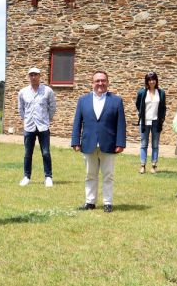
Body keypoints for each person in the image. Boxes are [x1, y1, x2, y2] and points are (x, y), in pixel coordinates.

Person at [71, 70, 126, 213]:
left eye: (103, 80)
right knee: (90, 174)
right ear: (92, 83)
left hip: (109, 143)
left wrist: (120, 143)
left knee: (108, 175)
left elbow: (121, 124)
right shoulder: (83, 100)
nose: (100, 83)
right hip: (89, 143)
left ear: (107, 82)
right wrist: (75, 141)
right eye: (97, 81)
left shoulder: (116, 100)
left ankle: (107, 202)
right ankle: (90, 202)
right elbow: (77, 122)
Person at [18, 67, 57, 187]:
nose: (33, 77)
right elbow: (21, 109)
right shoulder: (23, 92)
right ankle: (26, 176)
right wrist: (26, 119)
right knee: (27, 153)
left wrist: (47, 119)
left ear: (40, 76)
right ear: (28, 77)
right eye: (31, 75)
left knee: (45, 152)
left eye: (36, 75)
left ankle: (48, 177)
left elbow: (52, 107)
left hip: (43, 126)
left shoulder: (47, 91)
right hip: (29, 126)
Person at [135, 71, 166, 174]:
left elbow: (163, 107)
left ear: (156, 80)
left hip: (156, 121)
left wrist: (162, 118)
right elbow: (138, 104)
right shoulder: (142, 92)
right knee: (144, 144)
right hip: (144, 121)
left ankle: (154, 165)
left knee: (155, 144)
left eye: (153, 79)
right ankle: (143, 165)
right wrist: (142, 114)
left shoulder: (161, 93)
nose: (151, 82)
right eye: (149, 80)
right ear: (147, 81)